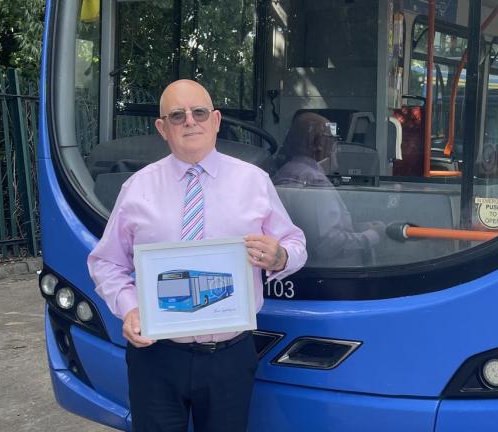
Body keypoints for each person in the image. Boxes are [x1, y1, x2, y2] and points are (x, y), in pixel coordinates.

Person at [87, 79, 306, 432]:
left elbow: (295, 244)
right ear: (162, 128)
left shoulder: (254, 181)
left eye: (199, 112)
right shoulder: (137, 187)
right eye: (177, 115)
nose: (190, 121)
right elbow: (106, 262)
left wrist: (279, 256)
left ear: (216, 120)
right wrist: (129, 308)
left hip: (230, 357)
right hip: (156, 356)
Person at [273, 112, 383, 266]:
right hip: (333, 276)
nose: (336, 147)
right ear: (318, 144)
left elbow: (312, 227)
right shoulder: (314, 181)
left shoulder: (286, 171)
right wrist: (372, 236)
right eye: (333, 140)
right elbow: (328, 245)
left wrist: (358, 228)